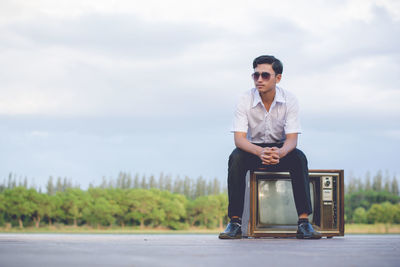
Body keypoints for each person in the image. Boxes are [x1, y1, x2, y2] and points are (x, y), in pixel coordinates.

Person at [219, 55, 322, 239]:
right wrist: (260, 152)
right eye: (256, 75)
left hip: (280, 150)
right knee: (235, 157)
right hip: (252, 149)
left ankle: (304, 223)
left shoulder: (290, 100)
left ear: (278, 78)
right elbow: (239, 139)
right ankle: (235, 223)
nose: (259, 80)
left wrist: (280, 152)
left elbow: (292, 140)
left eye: (265, 75)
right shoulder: (244, 99)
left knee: (299, 158)